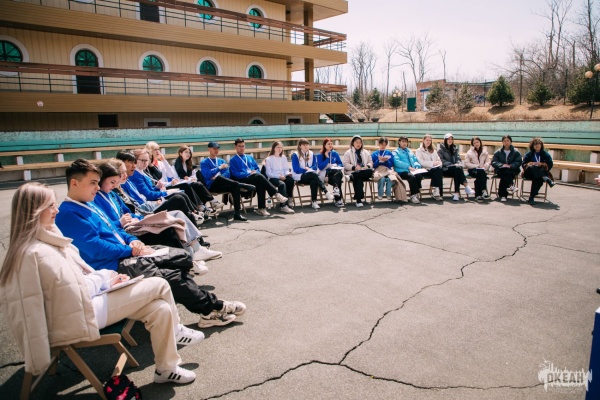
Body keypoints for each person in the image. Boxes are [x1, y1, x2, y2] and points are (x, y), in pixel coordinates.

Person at [0, 182, 205, 384]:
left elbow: (73, 283)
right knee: (159, 284)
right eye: (50, 206)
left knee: (160, 309)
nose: (56, 210)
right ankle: (176, 331)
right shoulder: (33, 253)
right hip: (76, 316)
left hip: (82, 306)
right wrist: (105, 278)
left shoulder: (46, 239)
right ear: (34, 211)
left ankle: (166, 369)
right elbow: (65, 293)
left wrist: (107, 280)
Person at [55, 159, 246, 328]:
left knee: (180, 256)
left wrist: (134, 241)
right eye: (93, 183)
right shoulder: (68, 214)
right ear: (74, 183)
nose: (97, 188)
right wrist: (131, 250)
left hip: (125, 253)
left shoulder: (87, 205)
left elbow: (116, 230)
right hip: (113, 266)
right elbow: (96, 249)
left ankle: (191, 298)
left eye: (97, 183)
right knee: (172, 275)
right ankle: (211, 308)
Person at [95, 162, 216, 269]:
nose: (114, 185)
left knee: (177, 214)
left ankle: (195, 250)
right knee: (170, 225)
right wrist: (120, 222)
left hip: (136, 221)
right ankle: (190, 257)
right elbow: (105, 224)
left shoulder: (111, 194)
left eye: (115, 182)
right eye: (112, 182)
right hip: (127, 229)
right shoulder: (96, 198)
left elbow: (128, 211)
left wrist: (142, 218)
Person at [116, 150, 205, 226]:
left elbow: (156, 180)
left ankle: (194, 214)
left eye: (147, 160)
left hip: (150, 205)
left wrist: (156, 189)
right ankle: (195, 214)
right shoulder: (132, 177)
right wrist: (159, 198)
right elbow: (144, 198)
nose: (134, 165)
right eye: (142, 160)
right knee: (179, 198)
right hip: (147, 210)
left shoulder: (133, 177)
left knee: (181, 195)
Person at [229, 138, 288, 216]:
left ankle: (261, 208)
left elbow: (257, 169)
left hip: (254, 177)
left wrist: (255, 172)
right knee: (259, 177)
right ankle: (276, 194)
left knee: (260, 182)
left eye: (243, 146)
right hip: (243, 180)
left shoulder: (249, 157)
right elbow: (235, 174)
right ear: (235, 147)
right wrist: (248, 173)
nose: (241, 148)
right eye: (239, 146)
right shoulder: (233, 160)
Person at [200, 141, 255, 222]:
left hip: (223, 184)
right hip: (212, 186)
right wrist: (219, 168)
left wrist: (217, 176)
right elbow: (207, 175)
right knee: (220, 179)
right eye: (214, 148)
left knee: (234, 186)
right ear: (209, 149)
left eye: (217, 148)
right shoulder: (204, 162)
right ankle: (242, 185)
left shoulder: (221, 161)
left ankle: (237, 213)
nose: (216, 150)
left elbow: (227, 174)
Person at [173, 145, 222, 213]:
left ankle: (203, 206)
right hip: (181, 185)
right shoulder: (176, 165)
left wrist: (191, 178)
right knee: (197, 185)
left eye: (189, 152)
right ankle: (210, 203)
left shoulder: (189, 163)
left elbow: (194, 175)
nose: (188, 154)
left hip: (189, 183)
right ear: (181, 153)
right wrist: (187, 179)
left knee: (198, 183)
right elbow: (175, 178)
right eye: (186, 152)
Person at [292, 138, 334, 209]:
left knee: (314, 180)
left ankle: (314, 202)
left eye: (307, 145)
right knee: (314, 175)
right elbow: (296, 169)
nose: (306, 146)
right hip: (300, 176)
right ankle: (326, 192)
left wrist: (309, 168)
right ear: (300, 146)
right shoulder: (295, 155)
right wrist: (305, 169)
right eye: (304, 145)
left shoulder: (311, 153)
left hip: (311, 175)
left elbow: (315, 166)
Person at [437, 133, 475, 201]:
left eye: (451, 139)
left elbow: (458, 159)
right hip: (445, 169)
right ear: (445, 140)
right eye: (448, 139)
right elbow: (442, 161)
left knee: (457, 169)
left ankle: (456, 193)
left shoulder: (454, 149)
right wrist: (452, 164)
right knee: (457, 169)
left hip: (455, 169)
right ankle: (466, 186)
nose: (450, 140)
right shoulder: (440, 150)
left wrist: (458, 164)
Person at [521, 137, 555, 205]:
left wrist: (541, 164)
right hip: (529, 173)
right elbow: (523, 164)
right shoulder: (529, 154)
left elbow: (550, 164)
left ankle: (531, 198)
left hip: (539, 173)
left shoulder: (545, 154)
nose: (537, 145)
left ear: (541, 145)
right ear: (532, 146)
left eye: (538, 144)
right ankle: (545, 178)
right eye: (535, 144)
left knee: (537, 178)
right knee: (531, 167)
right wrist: (531, 163)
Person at [342, 135, 374, 207]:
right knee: (358, 178)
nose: (358, 144)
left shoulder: (366, 152)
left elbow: (371, 162)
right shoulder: (348, 153)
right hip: (353, 171)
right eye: (357, 142)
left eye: (360, 143)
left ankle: (352, 176)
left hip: (364, 171)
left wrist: (367, 166)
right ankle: (358, 200)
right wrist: (354, 168)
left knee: (370, 171)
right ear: (353, 143)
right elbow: (345, 164)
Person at [264, 141, 295, 213]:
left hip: (283, 176)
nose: (280, 149)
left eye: (281, 147)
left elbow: (286, 169)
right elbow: (268, 173)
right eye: (278, 147)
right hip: (273, 178)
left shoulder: (283, 157)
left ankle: (289, 198)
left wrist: (288, 173)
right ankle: (283, 206)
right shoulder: (269, 159)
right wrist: (279, 176)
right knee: (282, 184)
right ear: (274, 148)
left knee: (290, 180)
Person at [372, 137, 405, 201]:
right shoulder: (375, 153)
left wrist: (386, 161)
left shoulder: (389, 153)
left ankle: (388, 193)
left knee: (391, 178)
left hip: (387, 170)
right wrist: (378, 161)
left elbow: (391, 164)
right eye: (382, 144)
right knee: (381, 178)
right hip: (379, 170)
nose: (383, 146)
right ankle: (380, 194)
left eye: (385, 145)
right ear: (379, 144)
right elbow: (373, 165)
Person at [491, 135, 523, 202]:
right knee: (505, 170)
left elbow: (518, 162)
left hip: (512, 170)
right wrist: (502, 165)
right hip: (500, 169)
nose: (506, 142)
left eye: (508, 141)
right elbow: (494, 162)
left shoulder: (516, 152)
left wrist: (510, 166)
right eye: (504, 141)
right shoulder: (498, 152)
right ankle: (511, 186)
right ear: (502, 142)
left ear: (511, 141)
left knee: (505, 174)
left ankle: (503, 195)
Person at [392, 136, 422, 204]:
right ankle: (413, 195)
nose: (404, 143)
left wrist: (417, 166)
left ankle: (416, 192)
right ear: (399, 142)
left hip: (412, 170)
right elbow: (397, 162)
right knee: (411, 177)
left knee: (419, 175)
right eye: (403, 141)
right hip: (401, 171)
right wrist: (408, 167)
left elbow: (415, 160)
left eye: (406, 142)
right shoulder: (395, 152)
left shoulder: (409, 151)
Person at [316, 138, 345, 207]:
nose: (330, 145)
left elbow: (340, 164)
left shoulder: (335, 153)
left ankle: (336, 189)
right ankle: (338, 199)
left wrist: (337, 165)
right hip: (326, 174)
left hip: (335, 174)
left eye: (331, 144)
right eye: (328, 144)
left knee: (338, 173)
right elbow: (320, 167)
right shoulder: (320, 154)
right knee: (338, 179)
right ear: (324, 145)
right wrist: (327, 158)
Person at [414, 134, 444, 201]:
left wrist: (439, 164)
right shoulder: (419, 150)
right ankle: (417, 192)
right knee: (418, 175)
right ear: (423, 141)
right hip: (424, 169)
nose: (428, 142)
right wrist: (432, 163)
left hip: (433, 169)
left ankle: (436, 191)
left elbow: (438, 159)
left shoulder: (434, 150)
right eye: (427, 140)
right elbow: (421, 162)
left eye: (430, 140)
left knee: (438, 170)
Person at [464, 136, 491, 202]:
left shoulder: (485, 152)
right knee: (481, 174)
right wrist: (477, 166)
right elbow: (466, 163)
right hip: (473, 169)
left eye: (477, 142)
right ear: (472, 144)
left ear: (480, 142)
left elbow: (488, 161)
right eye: (474, 143)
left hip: (482, 169)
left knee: (480, 174)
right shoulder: (469, 152)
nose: (476, 144)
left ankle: (478, 196)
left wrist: (484, 166)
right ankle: (483, 191)